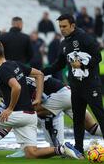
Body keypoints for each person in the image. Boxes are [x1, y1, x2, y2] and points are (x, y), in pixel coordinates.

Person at [0, 41, 82, 161]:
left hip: (17, 114)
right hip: (30, 116)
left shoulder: (2, 70)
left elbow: (16, 87)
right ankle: (62, 149)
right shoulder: (14, 64)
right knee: (31, 153)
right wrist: (38, 98)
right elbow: (39, 74)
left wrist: (10, 108)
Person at [43, 14, 104, 154]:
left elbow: (98, 57)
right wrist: (41, 71)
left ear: (72, 25)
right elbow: (58, 64)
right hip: (76, 87)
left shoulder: (84, 37)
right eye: (60, 27)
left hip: (91, 85)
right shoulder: (64, 43)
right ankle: (78, 149)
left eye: (64, 26)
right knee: (78, 118)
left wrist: (82, 64)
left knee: (100, 116)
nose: (62, 29)